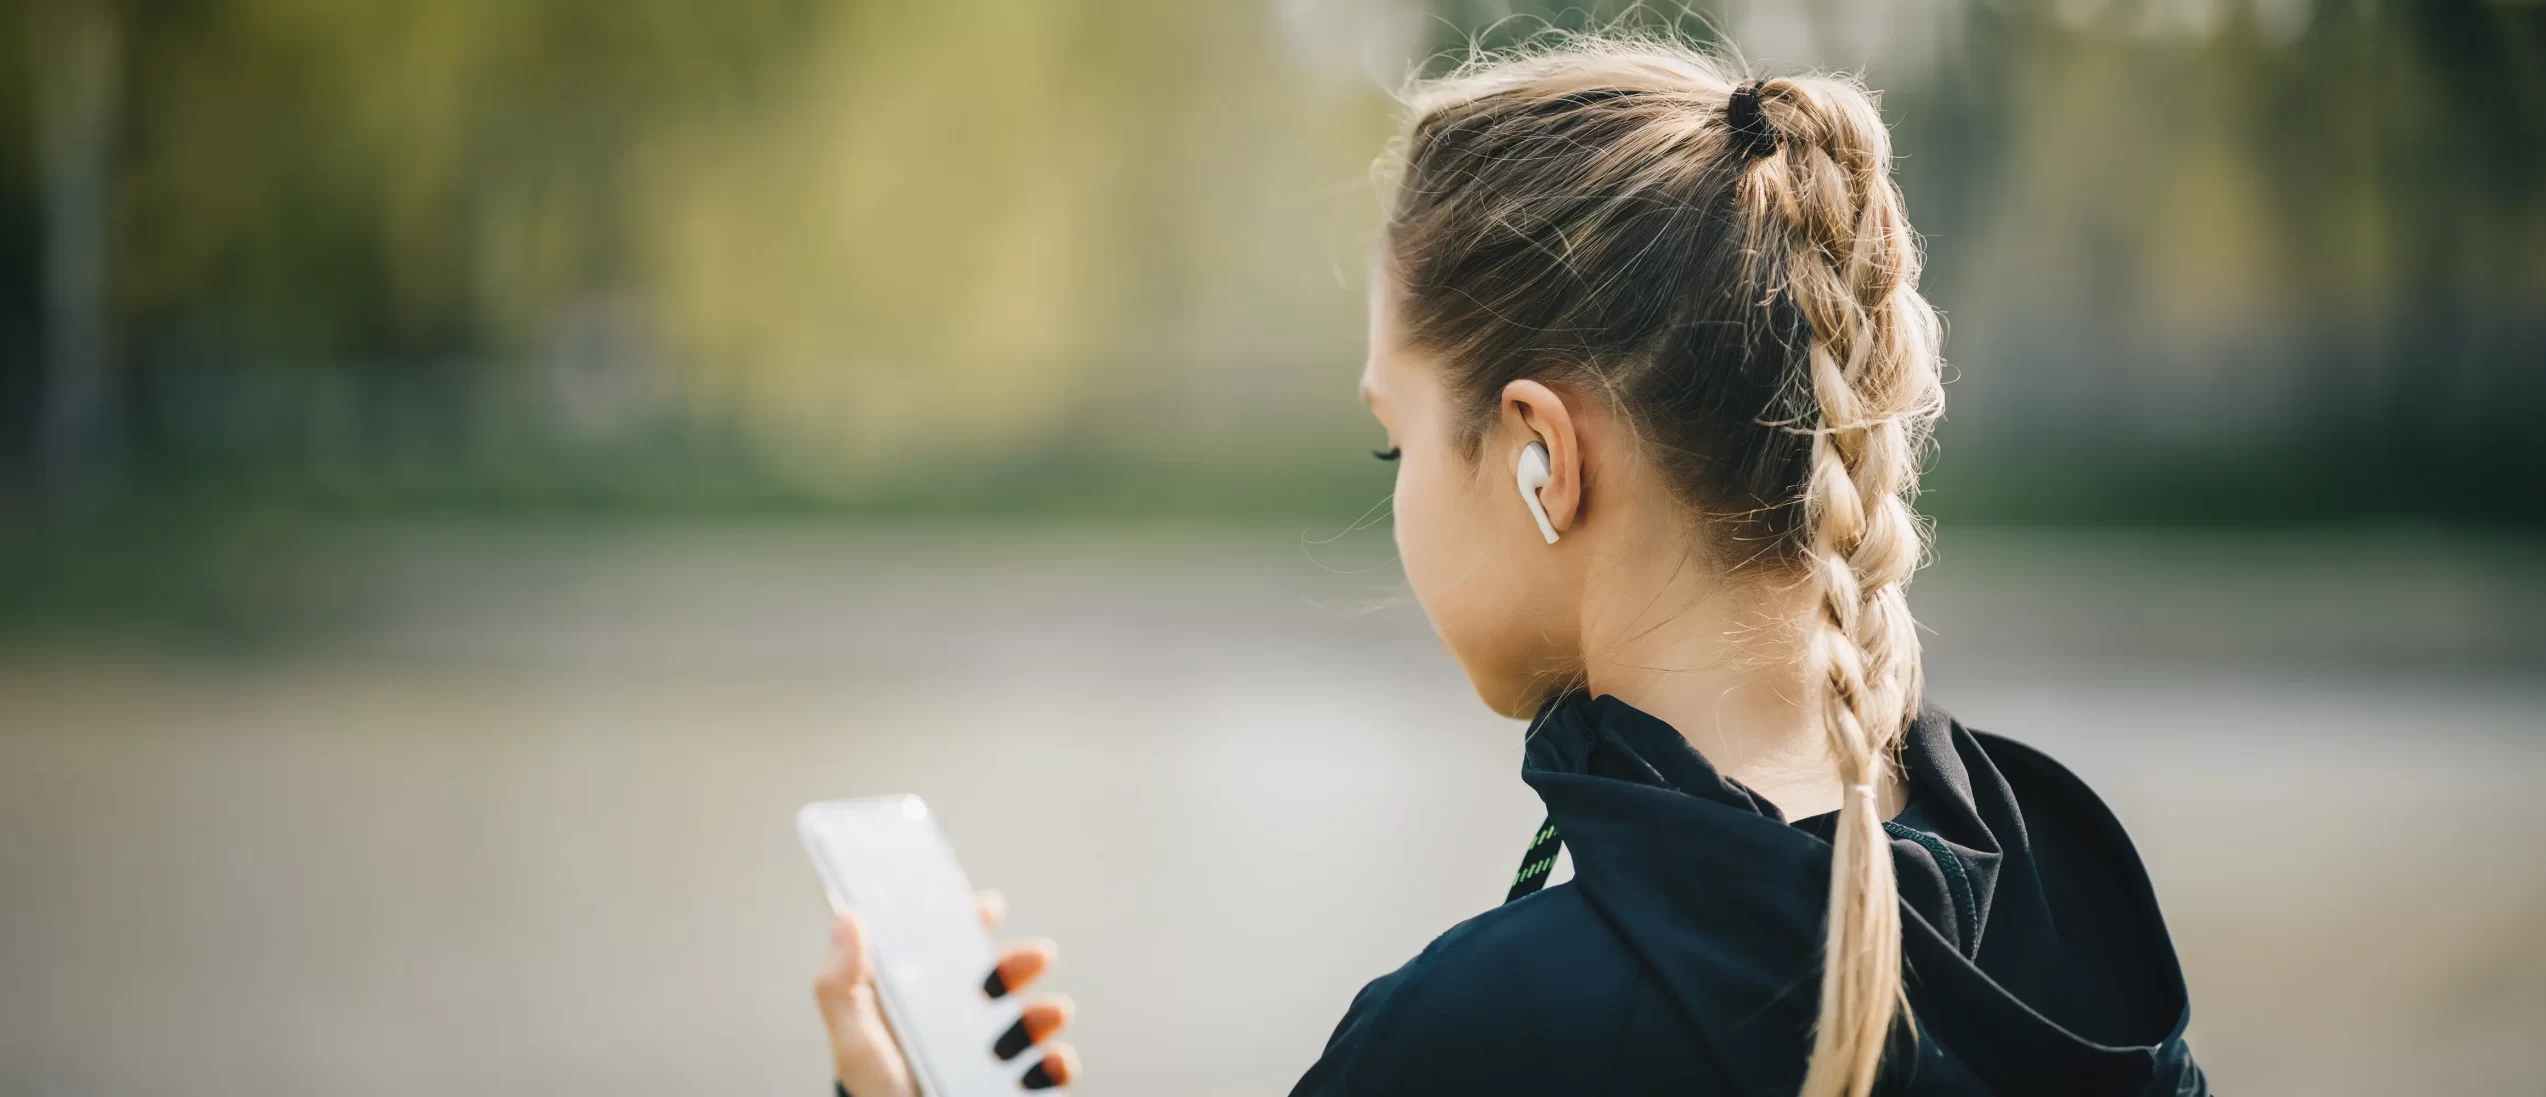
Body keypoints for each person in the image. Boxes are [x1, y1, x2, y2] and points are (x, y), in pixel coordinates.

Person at [812, 32, 2206, 1097]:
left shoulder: (1487, 1035)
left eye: (1396, 445)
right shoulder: (2066, 904)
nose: (1398, 503)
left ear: (1542, 454)